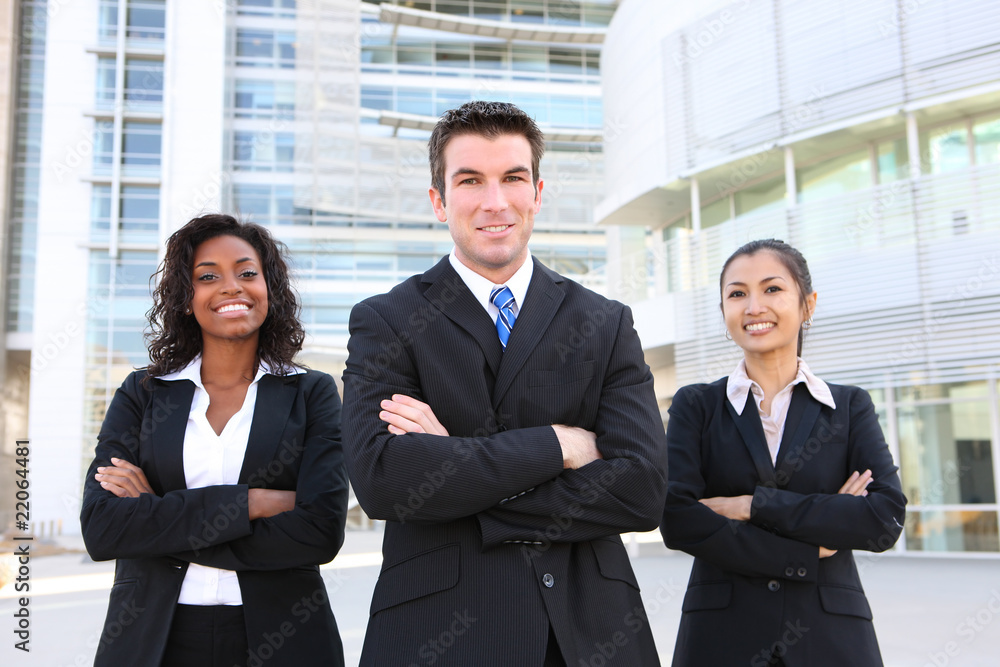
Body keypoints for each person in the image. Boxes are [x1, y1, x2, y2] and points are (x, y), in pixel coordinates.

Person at [342, 101, 667, 666]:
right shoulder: (387, 320)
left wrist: (454, 466)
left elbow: (642, 491)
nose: (495, 202)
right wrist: (559, 446)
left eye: (513, 178)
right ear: (439, 201)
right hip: (436, 635)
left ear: (537, 193)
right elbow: (384, 482)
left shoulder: (604, 321)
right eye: (470, 181)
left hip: (587, 634)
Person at [80, 214, 348, 667]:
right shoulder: (142, 394)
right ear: (187, 298)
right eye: (208, 276)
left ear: (269, 290)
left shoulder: (312, 392)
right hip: (153, 640)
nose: (231, 287)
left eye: (247, 273)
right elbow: (104, 527)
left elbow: (320, 531)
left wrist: (156, 518)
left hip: (285, 637)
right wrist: (253, 503)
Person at [660, 239, 907, 666]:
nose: (754, 306)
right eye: (737, 294)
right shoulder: (695, 405)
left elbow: (883, 519)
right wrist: (813, 543)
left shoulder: (848, 407)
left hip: (829, 637)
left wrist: (752, 505)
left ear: (807, 304)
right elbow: (679, 520)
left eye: (772, 289)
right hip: (721, 638)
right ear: (724, 312)